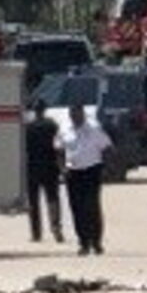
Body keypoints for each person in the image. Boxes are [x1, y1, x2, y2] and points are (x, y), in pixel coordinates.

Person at [57, 104, 112, 256]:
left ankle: (96, 242)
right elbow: (59, 150)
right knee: (77, 209)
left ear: (83, 114)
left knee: (92, 206)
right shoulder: (64, 129)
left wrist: (106, 169)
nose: (75, 117)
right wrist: (62, 169)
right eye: (72, 114)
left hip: (92, 170)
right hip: (73, 173)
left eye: (78, 114)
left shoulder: (94, 129)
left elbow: (107, 148)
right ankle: (83, 242)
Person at [26, 100, 63, 243]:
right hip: (50, 166)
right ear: (45, 110)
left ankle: (36, 233)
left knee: (33, 202)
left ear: (34, 111)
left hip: (33, 167)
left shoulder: (29, 127)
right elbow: (58, 146)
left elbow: (25, 149)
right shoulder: (52, 125)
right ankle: (56, 229)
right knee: (52, 199)